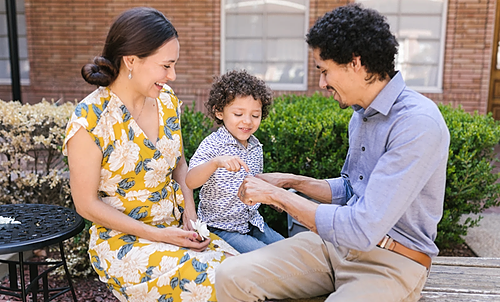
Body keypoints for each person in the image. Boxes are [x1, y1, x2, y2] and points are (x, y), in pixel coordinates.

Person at [215, 3, 450, 302]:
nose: (322, 83)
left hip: (391, 262)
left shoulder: (417, 124)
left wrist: (277, 197)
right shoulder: (361, 114)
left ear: (355, 63)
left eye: (325, 71)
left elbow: (363, 227)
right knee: (231, 276)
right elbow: (353, 188)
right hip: (333, 247)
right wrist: (290, 181)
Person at [63, 7, 237, 301]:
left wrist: (190, 217)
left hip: (175, 228)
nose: (172, 75)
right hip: (123, 244)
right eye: (166, 65)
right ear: (131, 60)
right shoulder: (89, 121)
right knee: (215, 284)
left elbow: (178, 162)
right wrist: (161, 236)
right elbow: (86, 205)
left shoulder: (168, 102)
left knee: (244, 273)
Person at [185, 70, 284, 253]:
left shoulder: (255, 146)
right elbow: (190, 181)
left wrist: (271, 198)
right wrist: (215, 163)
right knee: (269, 258)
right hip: (222, 229)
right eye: (238, 114)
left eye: (255, 115)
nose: (247, 121)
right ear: (219, 112)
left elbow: (255, 185)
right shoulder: (214, 144)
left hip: (252, 223)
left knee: (292, 250)